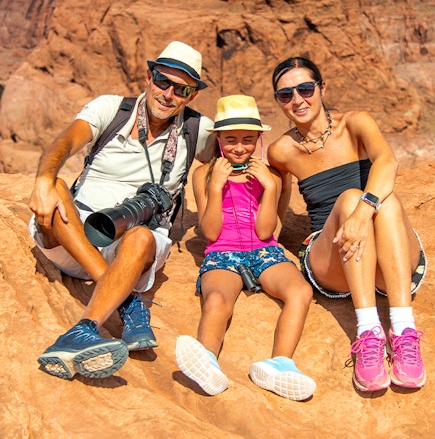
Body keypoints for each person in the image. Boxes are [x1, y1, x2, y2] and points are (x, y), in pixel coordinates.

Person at [29, 40, 216, 380]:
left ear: (192, 95)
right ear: (148, 76)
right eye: (162, 81)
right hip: (73, 233)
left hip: (130, 246)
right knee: (56, 188)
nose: (168, 94)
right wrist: (43, 179)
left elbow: (240, 146)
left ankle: (82, 331)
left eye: (181, 89)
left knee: (142, 237)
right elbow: (65, 142)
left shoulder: (196, 130)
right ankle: (129, 301)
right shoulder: (111, 110)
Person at [268, 56, 427, 393]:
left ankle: (403, 331)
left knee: (382, 199)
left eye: (305, 88)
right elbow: (277, 204)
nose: (297, 100)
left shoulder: (356, 123)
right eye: (285, 95)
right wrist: (264, 248)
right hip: (331, 259)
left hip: (387, 257)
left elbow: (387, 161)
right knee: (350, 197)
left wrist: (361, 213)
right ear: (279, 102)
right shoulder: (281, 150)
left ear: (322, 88)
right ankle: (368, 333)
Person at [175, 94, 316, 401]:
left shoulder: (270, 176)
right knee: (216, 299)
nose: (239, 148)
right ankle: (207, 361)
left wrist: (269, 187)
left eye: (248, 140)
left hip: (263, 250)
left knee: (300, 292)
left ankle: (280, 364)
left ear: (259, 139)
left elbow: (267, 231)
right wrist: (215, 187)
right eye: (231, 140)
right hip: (222, 252)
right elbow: (210, 232)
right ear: (218, 139)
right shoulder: (204, 174)